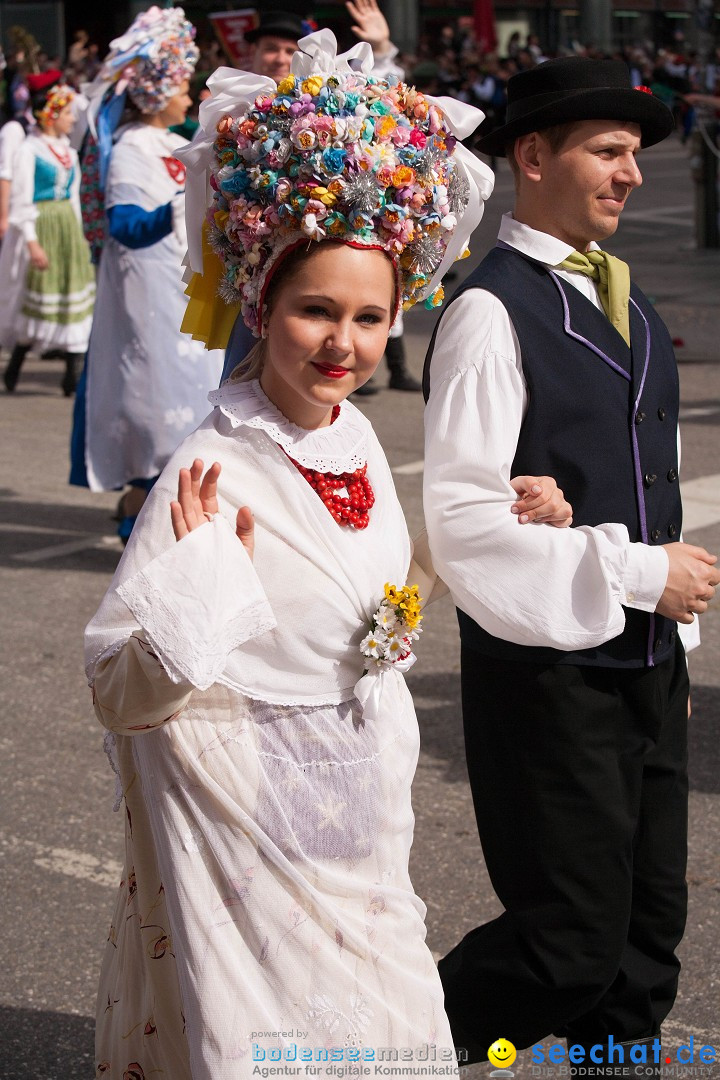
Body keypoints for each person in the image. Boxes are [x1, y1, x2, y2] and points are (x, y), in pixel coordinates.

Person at [85, 33, 575, 1079]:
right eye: (315, 310)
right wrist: (207, 580)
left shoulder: (354, 436)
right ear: (260, 307)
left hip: (360, 810)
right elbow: (121, 688)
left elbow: (378, 598)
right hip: (242, 827)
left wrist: (490, 514)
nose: (341, 343)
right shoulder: (212, 462)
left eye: (368, 316)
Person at [422, 57, 720, 1070]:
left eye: (636, 154)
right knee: (565, 949)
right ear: (534, 157)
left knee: (644, 944)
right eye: (609, 150)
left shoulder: (632, 308)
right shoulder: (489, 312)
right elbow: (464, 525)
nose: (631, 172)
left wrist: (673, 643)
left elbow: (654, 483)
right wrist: (643, 580)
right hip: (548, 679)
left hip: (644, 667)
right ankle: (384, 1050)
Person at [213, 2, 421, 393]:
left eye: (288, 50)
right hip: (258, 282)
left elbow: (383, 110)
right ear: (253, 55)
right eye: (270, 48)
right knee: (258, 380)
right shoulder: (227, 110)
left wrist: (383, 47)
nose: (278, 58)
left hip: (328, 270)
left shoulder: (330, 100)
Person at [72, 6, 224, 540]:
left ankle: (149, 516)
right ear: (158, 92)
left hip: (177, 298)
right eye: (183, 83)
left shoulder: (166, 141)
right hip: (149, 305)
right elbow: (126, 225)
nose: (189, 93)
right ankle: (141, 525)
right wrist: (183, 202)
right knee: (155, 413)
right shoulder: (134, 147)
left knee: (185, 417)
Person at [0, 73, 94, 394]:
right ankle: (16, 363)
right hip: (43, 226)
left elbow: (74, 196)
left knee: (72, 291)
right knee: (40, 294)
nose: (72, 119)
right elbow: (21, 197)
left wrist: (80, 233)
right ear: (51, 114)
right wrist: (31, 241)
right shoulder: (29, 149)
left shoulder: (68, 151)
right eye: (67, 113)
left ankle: (73, 378)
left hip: (67, 225)